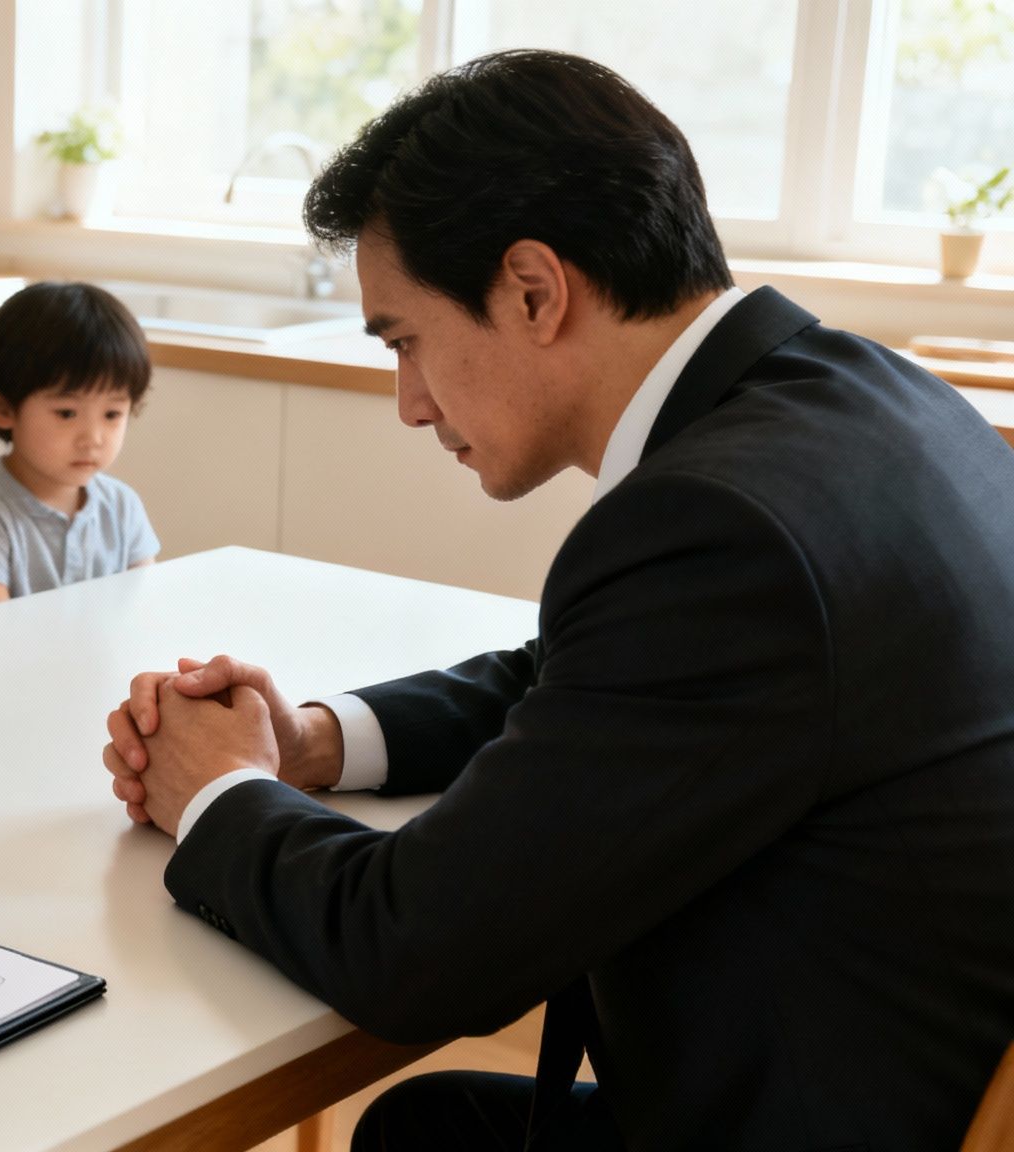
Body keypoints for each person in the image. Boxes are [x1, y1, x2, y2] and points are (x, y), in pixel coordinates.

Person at [101, 50, 1014, 1151]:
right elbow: (590, 682)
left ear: (532, 290)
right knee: (424, 1126)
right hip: (888, 1071)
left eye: (404, 340)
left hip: (782, 1113)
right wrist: (307, 743)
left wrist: (218, 794)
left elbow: (413, 952)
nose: (406, 403)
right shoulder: (879, 399)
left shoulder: (717, 532)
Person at [0, 281, 159, 614]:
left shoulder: (122, 508)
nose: (93, 438)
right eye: (67, 413)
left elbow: (144, 611)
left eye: (112, 414)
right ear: (2, 408)